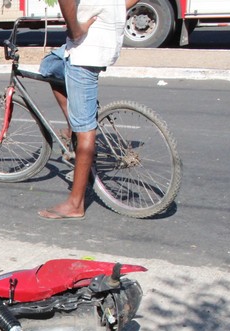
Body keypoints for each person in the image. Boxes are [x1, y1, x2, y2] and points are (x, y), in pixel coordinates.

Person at [36, 0, 138, 221]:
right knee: (50, 66)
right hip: (103, 42)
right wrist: (116, 10)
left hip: (86, 48)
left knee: (85, 129)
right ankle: (75, 126)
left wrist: (76, 29)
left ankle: (75, 204)